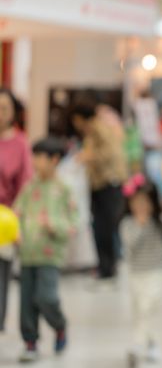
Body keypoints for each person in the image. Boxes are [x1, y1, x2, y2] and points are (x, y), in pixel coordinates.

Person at [13, 137, 79, 362]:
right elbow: (17, 214)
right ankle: (30, 342)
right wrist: (16, 232)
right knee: (26, 301)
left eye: (40, 157)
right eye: (34, 157)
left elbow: (74, 222)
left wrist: (56, 227)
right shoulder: (29, 187)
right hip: (27, 254)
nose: (35, 162)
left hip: (50, 255)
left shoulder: (64, 189)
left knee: (46, 297)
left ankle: (59, 325)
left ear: (54, 160)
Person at [70, 103, 127, 285]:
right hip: (100, 184)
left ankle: (108, 268)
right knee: (100, 227)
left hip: (108, 183)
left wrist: (88, 156)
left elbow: (111, 152)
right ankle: (105, 266)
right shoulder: (94, 129)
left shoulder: (98, 127)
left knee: (105, 227)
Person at [119, 174, 162, 366]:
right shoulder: (127, 224)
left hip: (157, 273)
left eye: (145, 202)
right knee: (140, 310)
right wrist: (140, 225)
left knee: (148, 306)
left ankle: (137, 345)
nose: (140, 207)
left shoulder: (161, 221)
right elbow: (129, 245)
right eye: (136, 202)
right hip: (136, 274)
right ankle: (150, 342)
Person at [0, 87, 33, 332]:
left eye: (4, 109)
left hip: (6, 219)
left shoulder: (20, 144)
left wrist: (19, 221)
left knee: (1, 276)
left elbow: (25, 185)